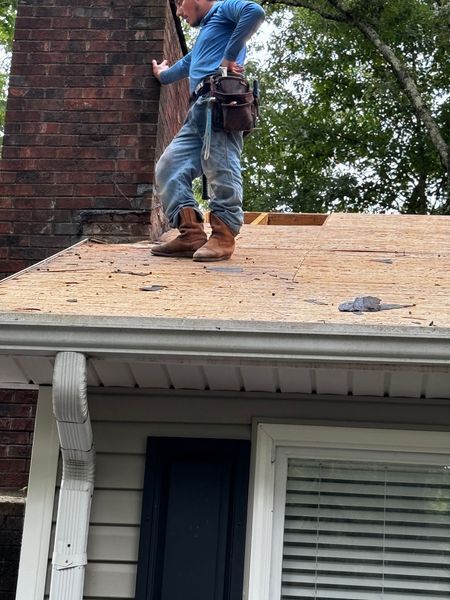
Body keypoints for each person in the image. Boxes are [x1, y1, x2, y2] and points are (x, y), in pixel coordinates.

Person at [151, 0, 265, 261]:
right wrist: (161, 74)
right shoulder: (206, 35)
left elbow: (254, 12)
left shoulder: (223, 9)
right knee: (168, 167)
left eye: (180, 3)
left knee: (221, 165)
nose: (179, 11)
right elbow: (182, 68)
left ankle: (224, 236)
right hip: (197, 113)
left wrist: (229, 56)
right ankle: (190, 234)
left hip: (219, 103)